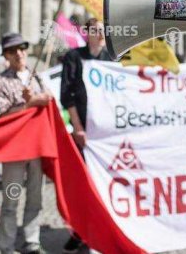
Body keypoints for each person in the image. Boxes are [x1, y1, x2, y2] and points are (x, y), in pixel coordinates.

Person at [0, 33, 53, 254]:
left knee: (35, 197)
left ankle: (32, 241)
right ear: (6, 55)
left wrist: (42, 98)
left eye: (22, 48)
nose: (19, 53)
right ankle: (6, 247)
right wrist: (28, 104)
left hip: (37, 146)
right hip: (15, 148)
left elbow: (49, 102)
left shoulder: (36, 76)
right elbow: (0, 114)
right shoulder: (0, 81)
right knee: (11, 199)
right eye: (12, 50)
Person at [59, 18, 112, 253]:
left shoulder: (112, 58)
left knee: (103, 184)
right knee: (82, 185)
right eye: (96, 31)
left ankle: (102, 230)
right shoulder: (73, 57)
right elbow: (67, 95)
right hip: (83, 132)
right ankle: (78, 232)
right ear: (87, 33)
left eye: (103, 31)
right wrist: (77, 127)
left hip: (106, 135)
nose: (100, 34)